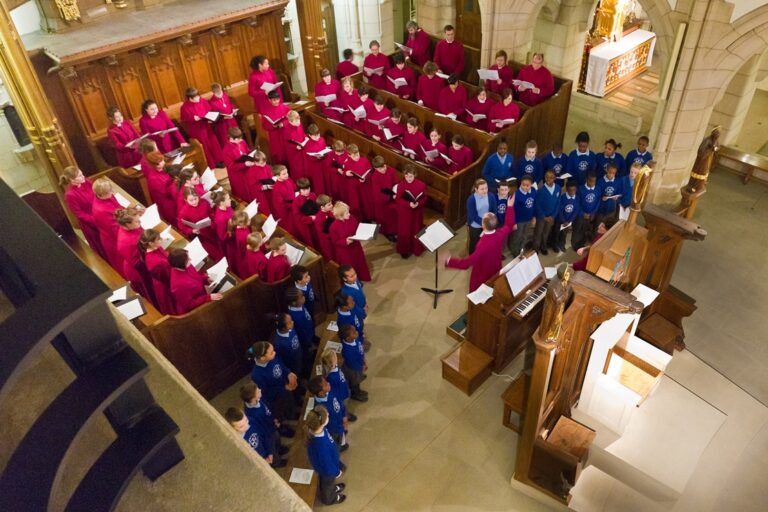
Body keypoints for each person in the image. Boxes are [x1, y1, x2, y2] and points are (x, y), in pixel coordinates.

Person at [444, 210, 515, 292]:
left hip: (483, 274)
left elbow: (466, 264)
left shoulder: (482, 245)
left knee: (478, 294)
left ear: (483, 225)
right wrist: (510, 206)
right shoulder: (500, 233)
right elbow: (509, 225)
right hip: (495, 269)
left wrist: (448, 261)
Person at [60, 166, 106, 260]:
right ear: (72, 180)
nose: (83, 176)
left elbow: (97, 194)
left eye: (82, 174)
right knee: (102, 247)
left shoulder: (86, 181)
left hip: (100, 215)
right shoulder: (70, 195)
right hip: (91, 224)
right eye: (80, 176)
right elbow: (79, 214)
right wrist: (96, 220)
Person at [250, 340, 298, 428]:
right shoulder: (257, 374)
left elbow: (281, 365)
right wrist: (284, 388)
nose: (274, 353)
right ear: (262, 358)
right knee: (280, 412)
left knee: (289, 402)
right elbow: (266, 392)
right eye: (271, 353)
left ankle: (292, 414)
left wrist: (288, 373)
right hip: (275, 398)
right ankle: (283, 427)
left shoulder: (272, 357)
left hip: (284, 387)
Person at [305, 407, 347, 505]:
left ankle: (332, 489)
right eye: (327, 415)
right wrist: (336, 472)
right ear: (322, 423)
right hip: (327, 471)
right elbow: (327, 465)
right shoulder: (320, 445)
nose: (328, 415)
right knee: (327, 484)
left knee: (328, 483)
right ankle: (330, 498)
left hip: (331, 460)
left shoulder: (320, 430)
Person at [240, 382, 288, 463]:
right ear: (253, 399)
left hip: (272, 426)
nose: (260, 390)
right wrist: (271, 428)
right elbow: (261, 429)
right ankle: (277, 462)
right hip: (267, 434)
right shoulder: (252, 415)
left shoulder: (259, 399)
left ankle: (279, 449)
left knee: (277, 439)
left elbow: (267, 410)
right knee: (272, 448)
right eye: (258, 391)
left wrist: (274, 420)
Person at [168, 248, 223, 314]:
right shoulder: (178, 285)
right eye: (188, 259)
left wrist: (206, 279)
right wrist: (208, 297)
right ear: (181, 263)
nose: (190, 260)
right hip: (196, 310)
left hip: (202, 296)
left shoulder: (186, 266)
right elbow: (189, 304)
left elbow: (196, 276)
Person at [179, 87, 223, 167]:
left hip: (207, 126)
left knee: (213, 143)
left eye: (198, 96)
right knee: (204, 146)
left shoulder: (202, 101)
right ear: (190, 98)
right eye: (196, 97)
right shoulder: (185, 107)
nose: (198, 98)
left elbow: (209, 110)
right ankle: (210, 164)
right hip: (197, 130)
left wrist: (211, 118)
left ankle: (219, 161)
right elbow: (184, 119)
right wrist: (193, 118)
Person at [116, 207, 153, 299]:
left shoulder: (133, 227)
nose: (140, 223)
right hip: (139, 272)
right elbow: (138, 263)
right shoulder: (124, 242)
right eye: (137, 221)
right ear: (127, 224)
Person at [329, 201, 372, 281]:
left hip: (356, 246)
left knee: (360, 262)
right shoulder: (333, 227)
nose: (349, 214)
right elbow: (335, 242)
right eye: (346, 213)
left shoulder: (351, 218)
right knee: (351, 266)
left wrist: (363, 233)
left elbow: (357, 228)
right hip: (345, 251)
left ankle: (362, 276)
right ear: (340, 216)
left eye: (348, 212)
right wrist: (345, 241)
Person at [177, 188, 222, 260]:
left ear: (198, 196)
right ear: (186, 200)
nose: (194, 202)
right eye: (191, 200)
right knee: (214, 252)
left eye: (195, 199)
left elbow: (211, 213)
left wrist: (214, 221)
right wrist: (191, 230)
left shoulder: (204, 202)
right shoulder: (184, 211)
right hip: (202, 236)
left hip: (212, 229)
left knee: (220, 245)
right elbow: (181, 225)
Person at [92, 178, 126, 273]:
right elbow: (114, 229)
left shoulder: (108, 196)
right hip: (114, 240)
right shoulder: (100, 210)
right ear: (101, 194)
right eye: (109, 192)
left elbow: (119, 208)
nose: (112, 193)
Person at [139, 229, 175, 314]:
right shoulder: (155, 262)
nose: (161, 240)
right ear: (151, 243)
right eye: (158, 239)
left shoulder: (157, 247)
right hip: (166, 287)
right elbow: (166, 278)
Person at [308, 376, 348, 450]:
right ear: (321, 393)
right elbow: (330, 423)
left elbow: (340, 402)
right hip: (335, 429)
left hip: (340, 422)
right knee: (336, 442)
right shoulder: (320, 408)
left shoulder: (331, 391)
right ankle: (339, 447)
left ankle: (342, 442)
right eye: (326, 384)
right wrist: (341, 427)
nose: (328, 383)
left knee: (341, 437)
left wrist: (344, 415)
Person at [395, 165, 427, 258]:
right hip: (405, 212)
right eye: (406, 176)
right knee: (405, 231)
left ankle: (416, 248)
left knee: (416, 229)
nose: (408, 178)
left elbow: (425, 198)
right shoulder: (401, 185)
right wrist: (408, 204)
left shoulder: (421, 185)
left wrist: (418, 203)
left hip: (416, 212)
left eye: (410, 176)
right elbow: (398, 199)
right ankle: (404, 250)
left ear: (415, 175)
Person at [286, 287, 316, 370]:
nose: (304, 298)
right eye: (301, 297)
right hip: (304, 340)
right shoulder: (295, 316)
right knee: (306, 354)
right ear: (294, 302)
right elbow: (301, 332)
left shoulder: (300, 305)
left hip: (309, 332)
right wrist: (308, 341)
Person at [370, 156, 399, 240]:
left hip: (392, 197)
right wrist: (389, 196)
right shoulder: (375, 177)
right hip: (382, 201)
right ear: (375, 169)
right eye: (380, 169)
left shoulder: (391, 171)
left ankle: (396, 230)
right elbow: (377, 193)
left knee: (394, 216)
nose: (383, 170)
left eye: (383, 167)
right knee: (385, 218)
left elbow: (396, 182)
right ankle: (388, 233)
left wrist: (395, 192)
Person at [221, 127, 254, 201]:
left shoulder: (242, 142)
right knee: (242, 192)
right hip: (237, 175)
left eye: (241, 138)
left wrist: (252, 155)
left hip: (246, 170)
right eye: (238, 139)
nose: (241, 140)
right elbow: (231, 166)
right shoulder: (226, 150)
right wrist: (244, 164)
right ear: (231, 138)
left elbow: (247, 151)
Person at [533, 170, 560, 255]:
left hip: (551, 216)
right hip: (542, 217)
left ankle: (543, 246)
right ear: (544, 178)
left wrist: (553, 215)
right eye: (546, 177)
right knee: (538, 232)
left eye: (551, 177)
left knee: (546, 232)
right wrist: (543, 216)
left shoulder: (558, 188)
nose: (548, 179)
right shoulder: (541, 189)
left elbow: (558, 203)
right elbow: (537, 204)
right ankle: (535, 249)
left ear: (555, 178)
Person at [466, 178, 497, 254]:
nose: (485, 190)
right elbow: (473, 215)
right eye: (482, 189)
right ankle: (473, 258)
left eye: (486, 188)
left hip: (487, 224)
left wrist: (488, 224)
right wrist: (484, 224)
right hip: (475, 226)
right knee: (475, 243)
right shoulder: (471, 199)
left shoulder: (491, 196)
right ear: (476, 189)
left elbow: (494, 210)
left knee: (486, 243)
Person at [339, 324, 368, 402]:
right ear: (348, 338)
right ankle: (355, 394)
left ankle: (358, 389)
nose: (356, 333)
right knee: (355, 382)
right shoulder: (347, 351)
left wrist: (364, 361)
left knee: (358, 378)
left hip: (359, 364)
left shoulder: (356, 339)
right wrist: (361, 367)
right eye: (354, 332)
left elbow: (360, 349)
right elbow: (353, 364)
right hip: (353, 370)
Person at [571, 171, 600, 250]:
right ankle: (575, 245)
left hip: (590, 214)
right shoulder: (580, 189)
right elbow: (577, 203)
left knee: (585, 229)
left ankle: (582, 243)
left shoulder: (597, 189)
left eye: (594, 181)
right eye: (590, 181)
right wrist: (582, 213)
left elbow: (598, 201)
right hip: (580, 215)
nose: (592, 183)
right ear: (586, 180)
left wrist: (593, 212)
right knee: (577, 229)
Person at [261, 90, 291, 165]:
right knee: (279, 155)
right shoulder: (266, 111)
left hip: (285, 132)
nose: (277, 101)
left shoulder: (285, 107)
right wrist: (272, 126)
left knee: (288, 153)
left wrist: (283, 124)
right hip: (275, 135)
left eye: (278, 99)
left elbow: (291, 118)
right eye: (274, 100)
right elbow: (264, 125)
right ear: (269, 100)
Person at [340, 144, 370, 220]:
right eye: (354, 156)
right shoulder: (346, 163)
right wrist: (346, 173)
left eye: (358, 154)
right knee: (356, 203)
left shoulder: (365, 160)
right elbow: (344, 173)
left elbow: (369, 172)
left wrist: (365, 178)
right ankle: (358, 219)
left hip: (364, 186)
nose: (357, 157)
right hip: (353, 188)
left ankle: (367, 218)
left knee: (365, 203)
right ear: (349, 155)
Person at [550, 180, 580, 254]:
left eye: (574, 190)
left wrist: (570, 220)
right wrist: (564, 220)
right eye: (570, 190)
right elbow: (559, 210)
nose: (572, 192)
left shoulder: (577, 198)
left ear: (576, 189)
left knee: (564, 233)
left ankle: (562, 244)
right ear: (567, 190)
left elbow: (576, 210)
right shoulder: (562, 198)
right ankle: (554, 245)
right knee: (556, 232)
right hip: (560, 220)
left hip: (569, 220)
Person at [510, 175, 536, 255]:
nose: (525, 187)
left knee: (524, 236)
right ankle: (514, 251)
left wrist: (534, 217)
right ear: (520, 183)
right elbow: (512, 210)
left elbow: (534, 204)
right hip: (519, 220)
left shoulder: (534, 191)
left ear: (531, 184)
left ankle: (521, 250)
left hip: (528, 219)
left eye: (527, 185)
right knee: (517, 236)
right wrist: (514, 222)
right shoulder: (516, 194)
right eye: (523, 185)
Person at [272, 312, 303, 376]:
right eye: (290, 322)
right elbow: (281, 360)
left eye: (291, 320)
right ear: (283, 328)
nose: (293, 322)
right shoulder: (279, 343)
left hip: (299, 354)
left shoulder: (290, 328)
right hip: (293, 365)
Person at [208, 82, 239, 147]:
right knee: (226, 140)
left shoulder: (225, 95)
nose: (220, 94)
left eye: (220, 92)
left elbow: (230, 104)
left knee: (236, 136)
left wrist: (233, 110)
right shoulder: (212, 102)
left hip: (231, 120)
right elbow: (214, 116)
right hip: (222, 124)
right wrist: (223, 117)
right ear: (214, 93)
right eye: (218, 93)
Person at [303, 124, 329, 195]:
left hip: (323, 164)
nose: (317, 137)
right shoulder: (307, 144)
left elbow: (324, 149)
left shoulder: (322, 140)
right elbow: (308, 157)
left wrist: (326, 151)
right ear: (309, 135)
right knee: (318, 184)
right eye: (315, 136)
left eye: (318, 134)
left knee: (325, 181)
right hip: (315, 167)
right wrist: (316, 157)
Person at [291, 178, 318, 247]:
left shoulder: (313, 195)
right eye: (303, 190)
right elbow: (297, 217)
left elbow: (317, 207)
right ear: (299, 190)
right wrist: (310, 218)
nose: (307, 191)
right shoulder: (296, 201)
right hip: (305, 225)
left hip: (315, 221)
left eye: (308, 188)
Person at [271, 165, 297, 234]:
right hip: (287, 211)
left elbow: (294, 187)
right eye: (284, 174)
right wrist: (292, 205)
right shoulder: (276, 188)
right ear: (277, 176)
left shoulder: (288, 179)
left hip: (294, 205)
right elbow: (280, 204)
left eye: (287, 172)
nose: (287, 175)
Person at [211, 190, 235, 265]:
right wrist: (232, 229)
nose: (230, 200)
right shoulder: (220, 219)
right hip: (230, 243)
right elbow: (222, 237)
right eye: (228, 199)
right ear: (221, 203)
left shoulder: (227, 207)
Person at [283, 110, 308, 181]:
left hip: (302, 151)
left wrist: (305, 137)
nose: (298, 122)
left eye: (299, 119)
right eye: (296, 121)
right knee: (298, 171)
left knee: (305, 168)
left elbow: (302, 133)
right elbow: (287, 143)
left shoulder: (299, 125)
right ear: (290, 121)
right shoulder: (286, 130)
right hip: (294, 154)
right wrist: (295, 147)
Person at [313, 195, 336, 261]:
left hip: (333, 237)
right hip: (327, 242)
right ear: (322, 207)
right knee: (332, 257)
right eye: (329, 205)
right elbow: (322, 233)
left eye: (331, 203)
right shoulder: (319, 218)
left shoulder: (330, 212)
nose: (331, 205)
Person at [229, 209, 251, 277]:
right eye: (248, 220)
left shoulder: (240, 227)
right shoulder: (243, 236)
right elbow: (247, 248)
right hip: (245, 255)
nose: (249, 220)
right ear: (242, 223)